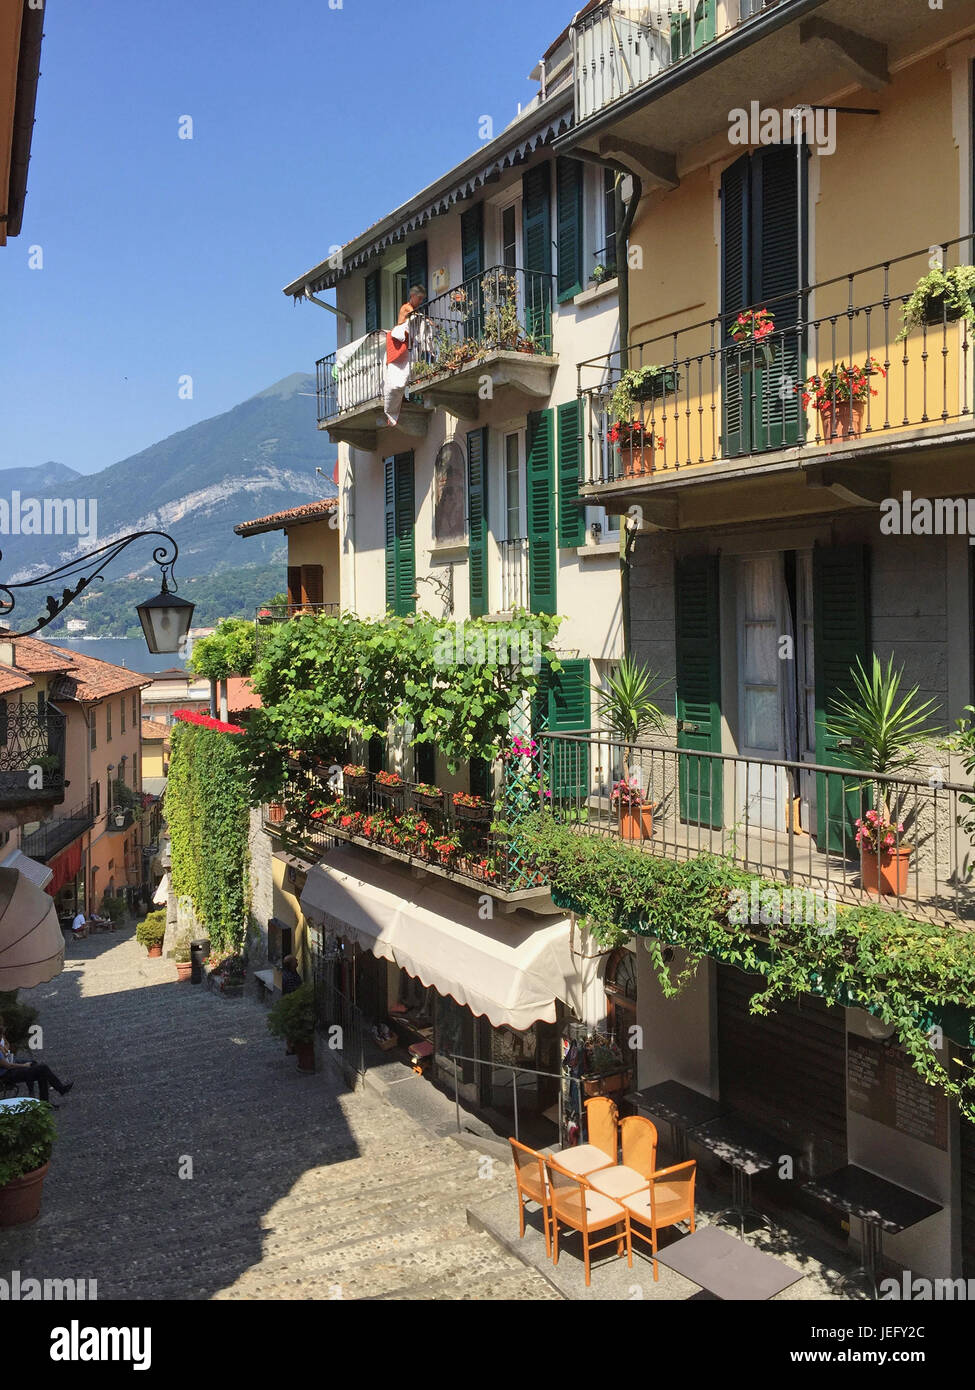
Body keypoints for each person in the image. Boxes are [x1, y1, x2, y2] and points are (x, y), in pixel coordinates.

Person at [0, 1016, 73, 1107]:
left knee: (37, 1066)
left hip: (10, 1063)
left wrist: (5, 1049)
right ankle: (56, 1092)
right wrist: (24, 1066)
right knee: (41, 1068)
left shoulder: (1, 1040)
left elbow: (6, 1044)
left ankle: (45, 1100)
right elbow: (8, 1066)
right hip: (6, 1075)